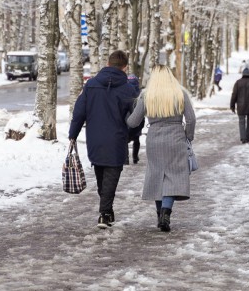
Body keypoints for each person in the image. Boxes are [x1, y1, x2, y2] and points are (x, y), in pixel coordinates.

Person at [126, 51, 196, 232]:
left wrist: (123, 117)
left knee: (157, 175)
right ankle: (166, 210)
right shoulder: (180, 94)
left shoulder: (146, 95)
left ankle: (160, 215)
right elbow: (191, 119)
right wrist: (188, 136)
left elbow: (133, 121)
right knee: (173, 177)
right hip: (176, 139)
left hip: (154, 140)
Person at [69, 50, 138, 229]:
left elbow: (79, 113)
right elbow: (136, 117)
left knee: (102, 176)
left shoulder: (91, 85)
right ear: (125, 67)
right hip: (117, 140)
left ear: (108, 64)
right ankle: (104, 213)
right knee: (111, 177)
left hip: (95, 139)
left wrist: (73, 135)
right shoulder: (128, 89)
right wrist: (131, 135)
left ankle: (106, 210)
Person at [230, 67, 249, 144]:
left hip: (241, 106)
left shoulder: (238, 83)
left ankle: (243, 138)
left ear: (243, 74)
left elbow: (234, 95)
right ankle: (247, 137)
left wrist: (232, 105)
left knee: (241, 122)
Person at [126, 72, 142, 165]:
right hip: (138, 117)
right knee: (136, 139)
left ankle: (126, 159)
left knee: (125, 139)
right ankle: (135, 157)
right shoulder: (139, 92)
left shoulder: (125, 90)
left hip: (126, 117)